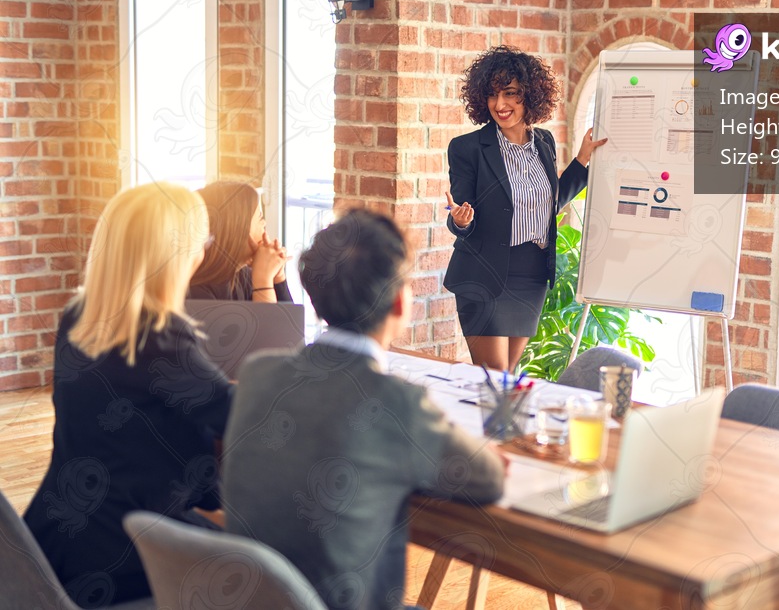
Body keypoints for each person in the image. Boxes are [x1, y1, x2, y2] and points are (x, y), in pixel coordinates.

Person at [222, 208, 506, 610]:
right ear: (400, 302)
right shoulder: (395, 402)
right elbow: (488, 480)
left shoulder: (257, 373)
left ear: (315, 299)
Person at [23, 183, 233, 608]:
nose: (204, 253)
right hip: (126, 555)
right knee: (267, 574)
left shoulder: (79, 316)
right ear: (172, 257)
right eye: (202, 242)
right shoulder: (158, 335)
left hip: (57, 539)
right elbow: (239, 415)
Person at [444, 45, 607, 372]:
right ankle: (484, 425)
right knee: (495, 378)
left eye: (510, 94)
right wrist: (460, 221)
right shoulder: (468, 149)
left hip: (530, 277)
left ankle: (494, 425)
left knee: (506, 380)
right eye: (492, 96)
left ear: (530, 96)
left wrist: (583, 160)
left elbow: (549, 204)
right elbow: (461, 212)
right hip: (485, 275)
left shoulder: (544, 142)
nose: (500, 105)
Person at [189, 180, 291, 303]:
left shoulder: (242, 276)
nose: (264, 224)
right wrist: (263, 282)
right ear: (238, 230)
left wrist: (277, 278)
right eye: (260, 218)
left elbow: (291, 320)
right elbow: (268, 322)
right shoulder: (196, 294)